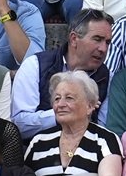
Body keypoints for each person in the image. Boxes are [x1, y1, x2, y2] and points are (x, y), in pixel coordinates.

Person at [12, 11, 114, 139]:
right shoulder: (35, 65)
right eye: (97, 39)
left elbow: (103, 129)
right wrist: (62, 113)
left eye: (107, 42)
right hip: (38, 151)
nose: (103, 49)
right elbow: (19, 124)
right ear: (74, 39)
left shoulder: (106, 77)